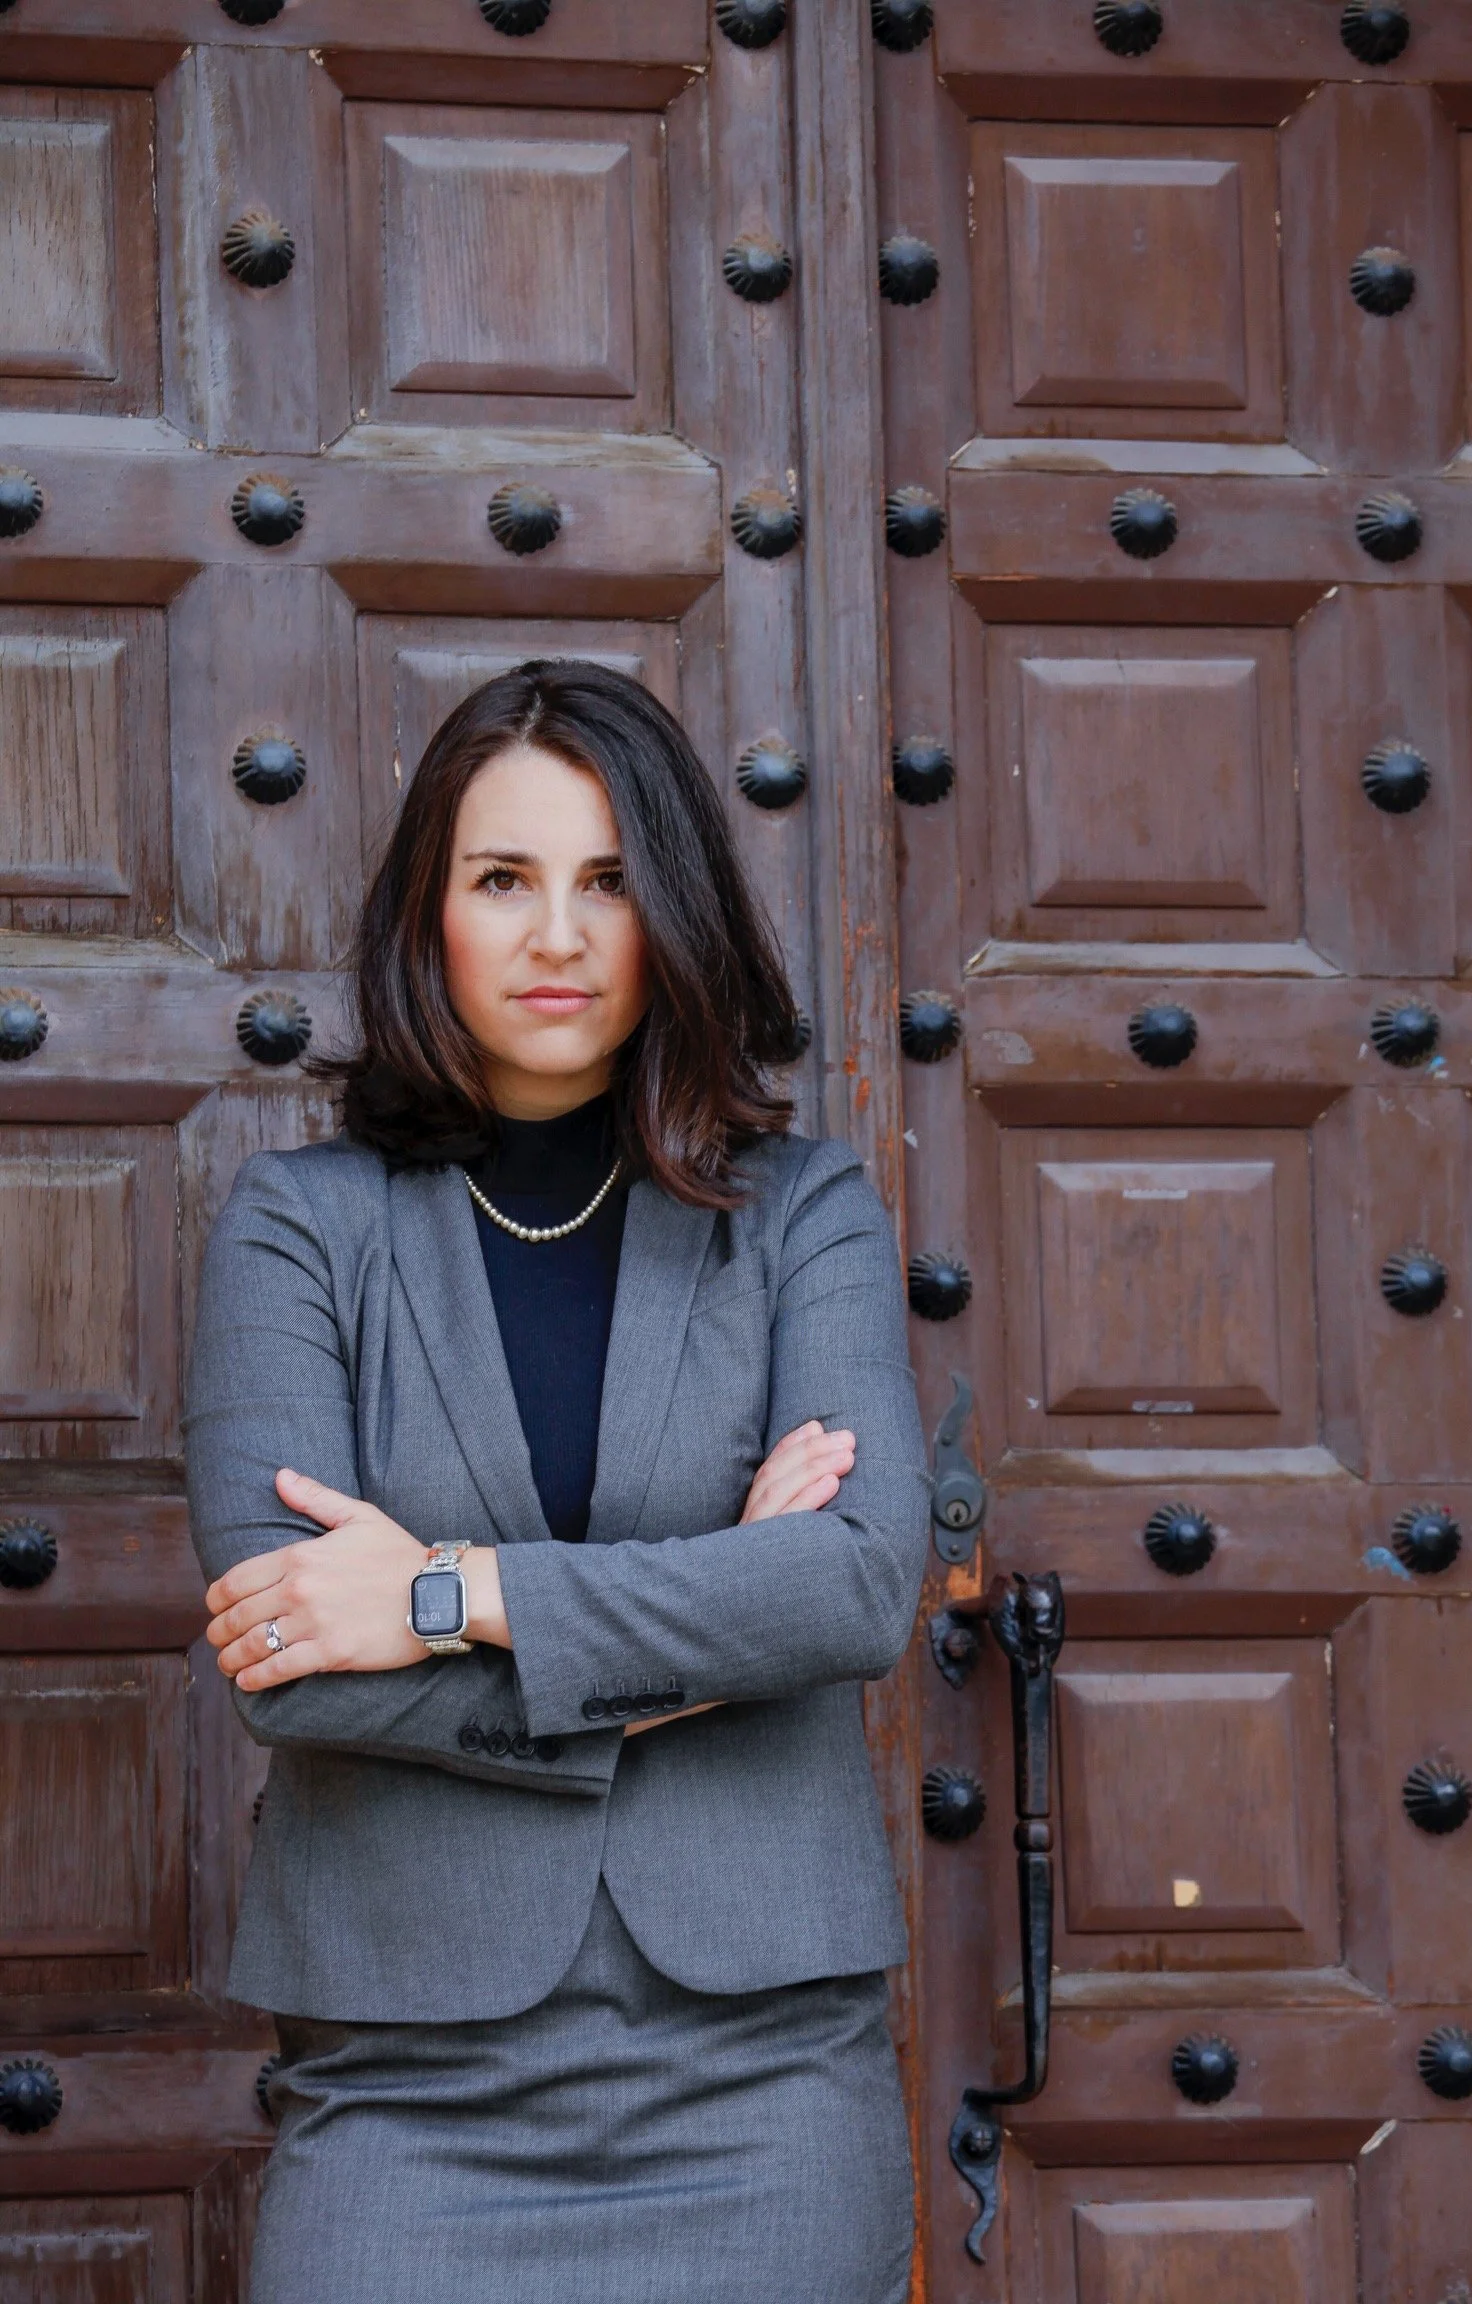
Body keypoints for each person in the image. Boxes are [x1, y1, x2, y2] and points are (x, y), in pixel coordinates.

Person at [186, 660, 929, 2304]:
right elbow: (292, 1664)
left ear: (676, 914)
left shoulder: (802, 1215)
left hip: (760, 2077)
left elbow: (855, 1586)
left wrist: (444, 1594)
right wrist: (712, 1639)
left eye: (609, 882)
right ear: (427, 910)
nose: (558, 936)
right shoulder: (297, 1229)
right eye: (503, 879)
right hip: (406, 2084)